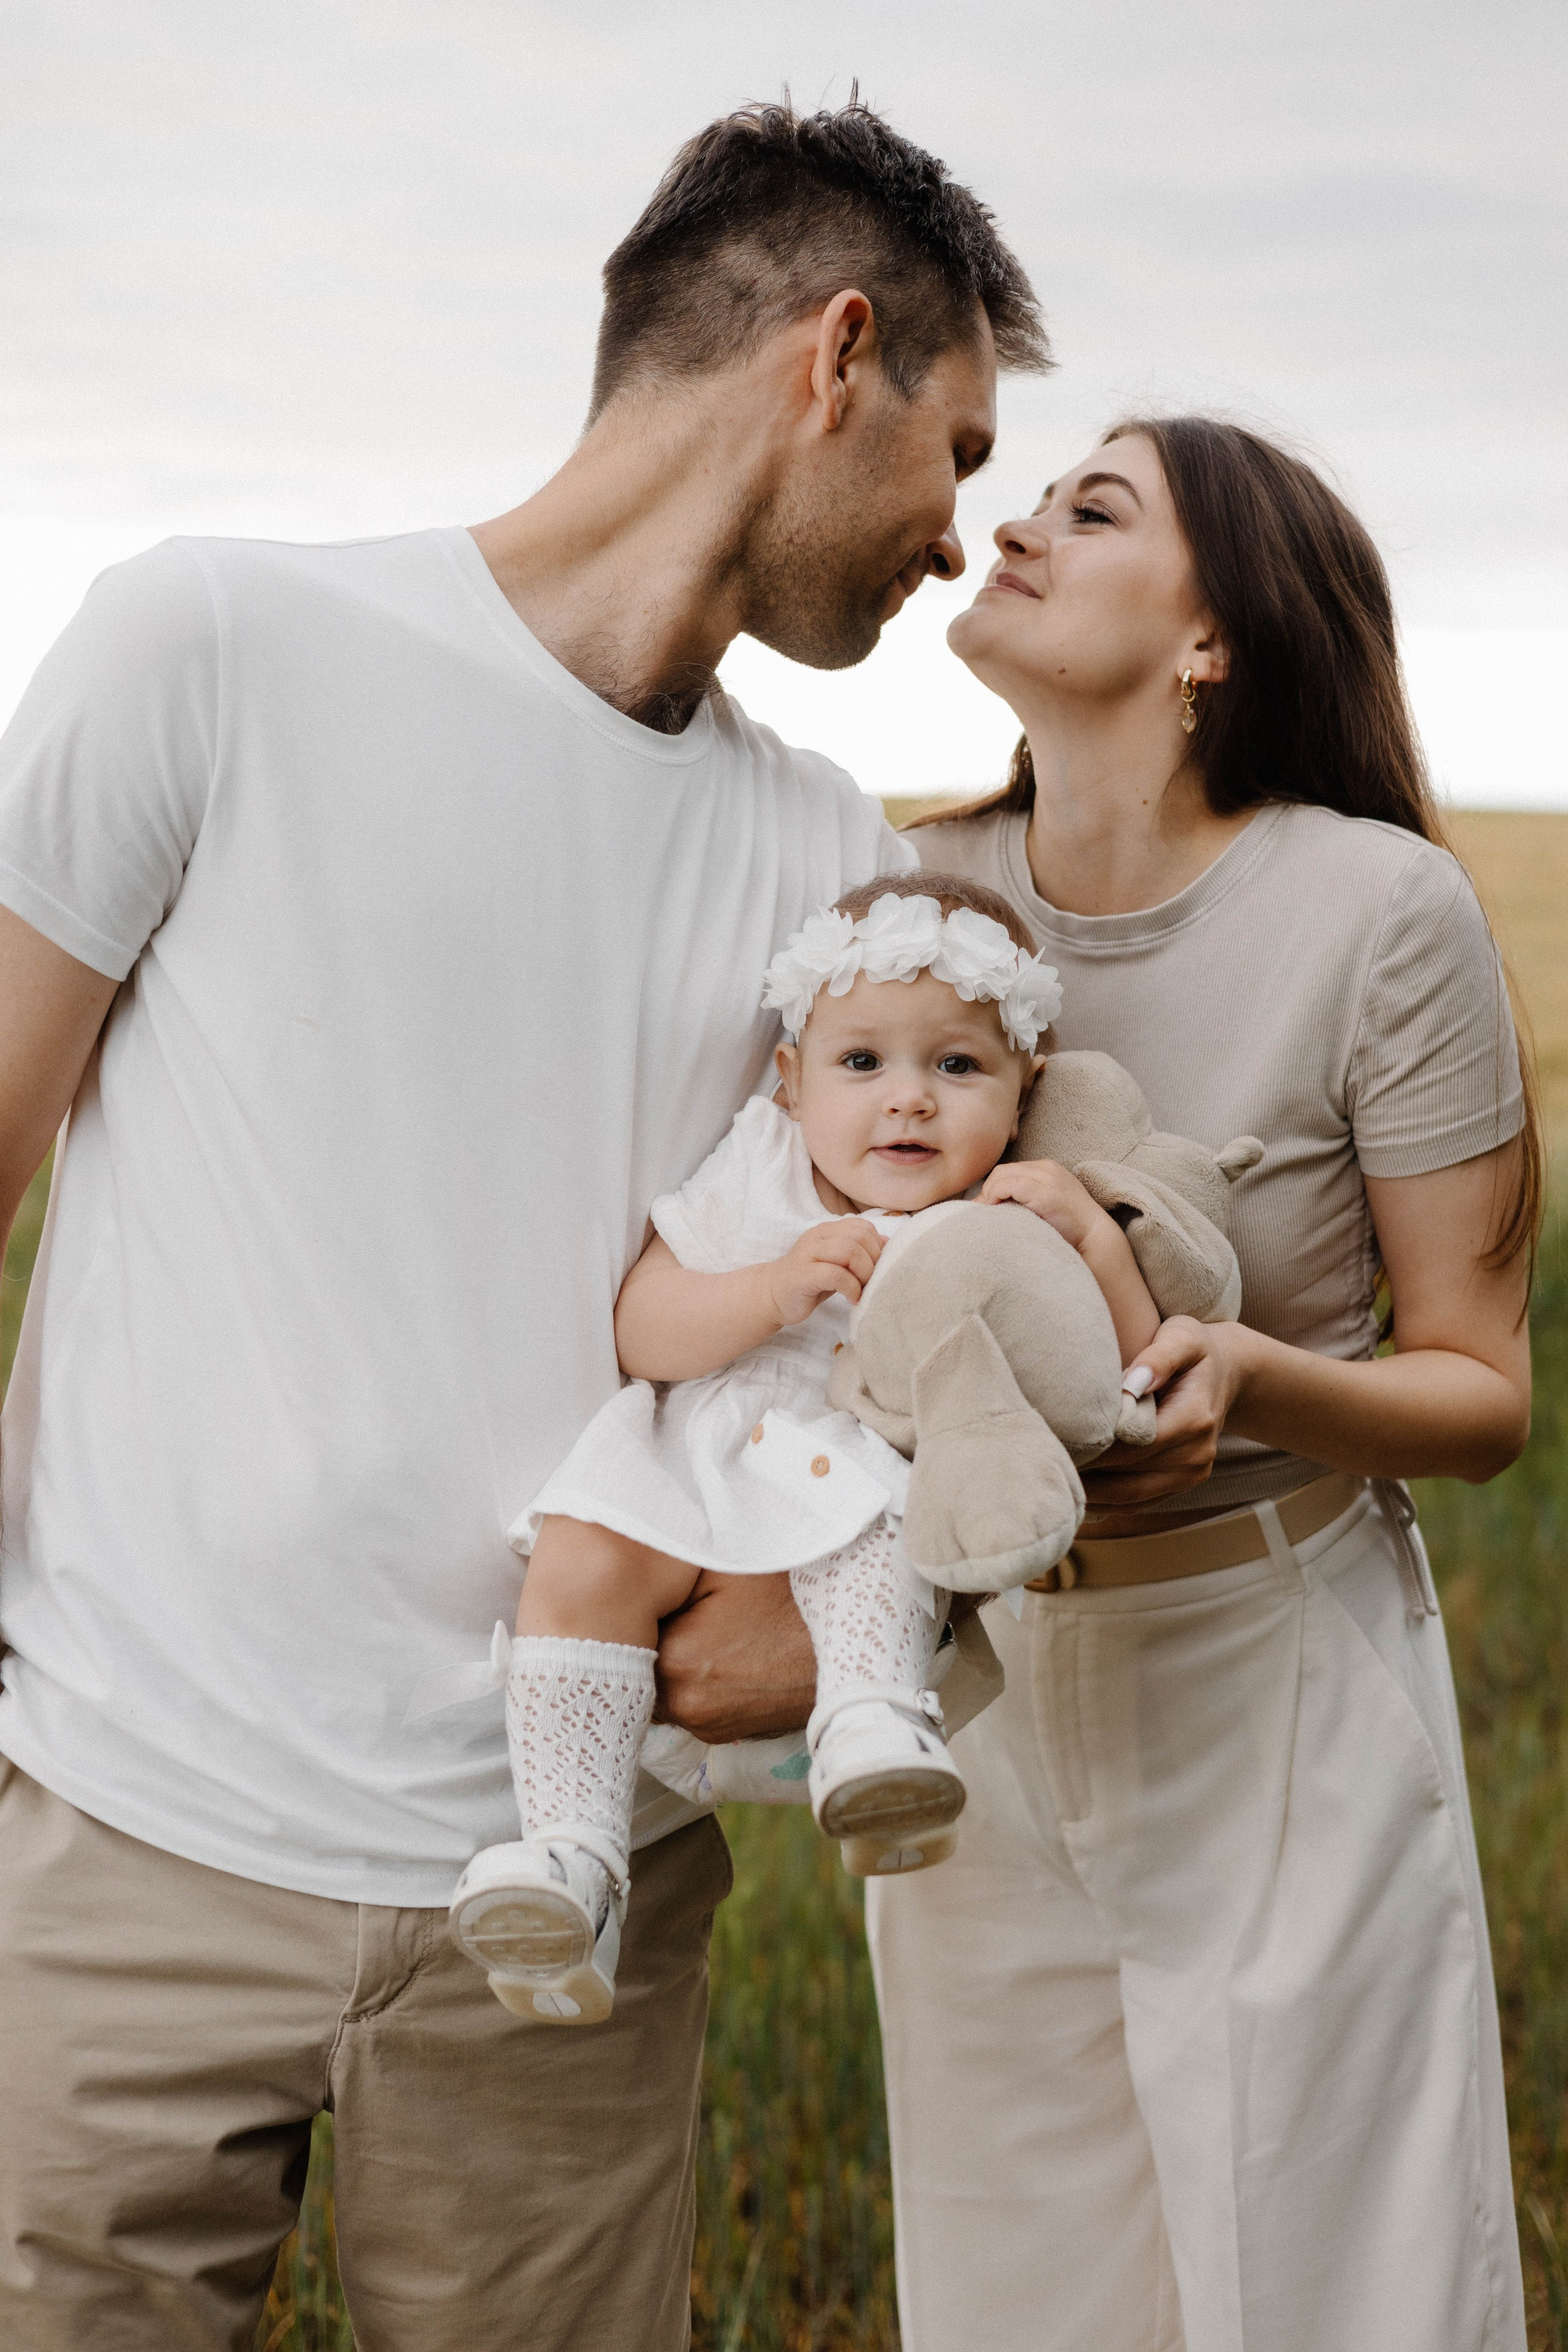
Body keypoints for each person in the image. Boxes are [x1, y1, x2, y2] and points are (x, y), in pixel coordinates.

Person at [0, 102, 1047, 2349]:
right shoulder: (213, 644)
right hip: (125, 1839)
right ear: (833, 354)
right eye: (956, 453)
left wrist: (896, 1616)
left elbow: (948, 1316)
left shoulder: (831, 865)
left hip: (575, 1898)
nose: (960, 542)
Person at [863, 417, 1536, 2350]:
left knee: (1332, 2289)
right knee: (1014, 2293)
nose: (1019, 522)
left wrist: (1248, 1380)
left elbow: (1480, 1389)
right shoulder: (915, 895)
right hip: (979, 1683)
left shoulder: (1371, 909)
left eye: (1092, 509)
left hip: (1273, 1668)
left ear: (1214, 640)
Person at [446, 872, 1156, 2026]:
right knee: (583, 1554)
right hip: (708, 1435)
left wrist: (1096, 1241)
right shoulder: (763, 1167)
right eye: (862, 1063)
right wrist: (770, 1291)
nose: (908, 1103)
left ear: (1026, 1090)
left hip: (857, 1442)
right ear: (791, 1081)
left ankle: (872, 1729)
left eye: (957, 1067)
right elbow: (644, 1324)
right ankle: (573, 1855)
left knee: (872, 1518)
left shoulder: (1012, 1213)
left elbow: (1118, 1376)